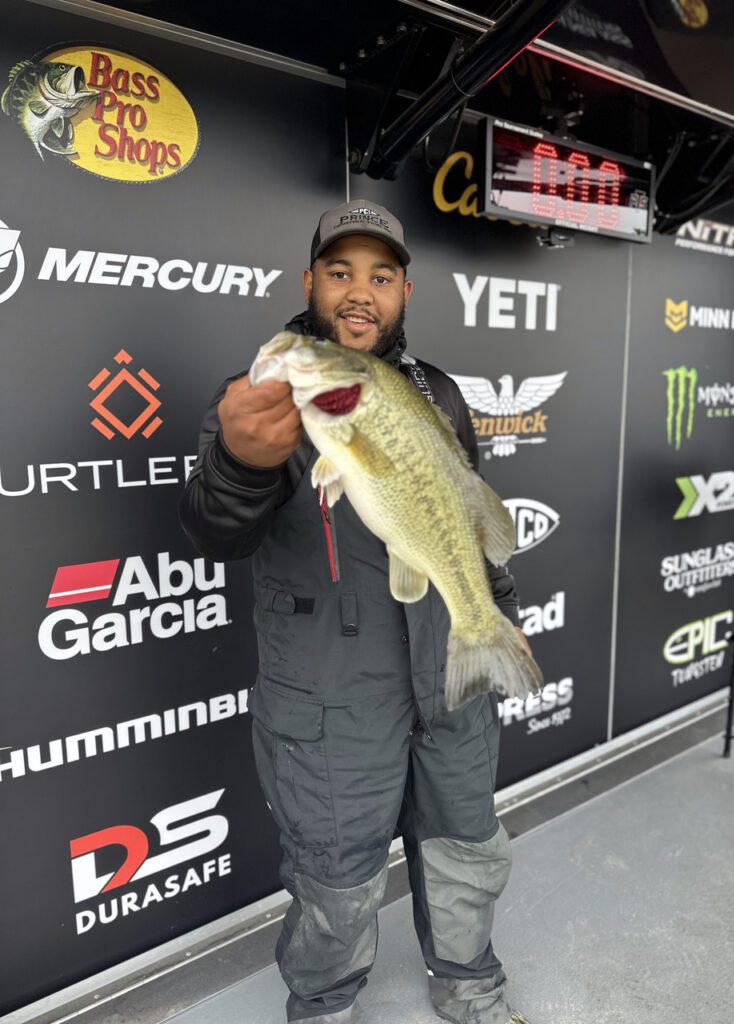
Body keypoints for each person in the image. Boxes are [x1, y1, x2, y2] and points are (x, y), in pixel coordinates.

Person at [179, 200, 533, 1024]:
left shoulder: (438, 392)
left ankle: (471, 987)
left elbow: (464, 519)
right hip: (330, 691)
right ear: (310, 282)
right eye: (340, 273)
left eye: (380, 276)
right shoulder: (262, 398)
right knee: (336, 877)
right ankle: (326, 1009)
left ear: (405, 291)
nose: (359, 293)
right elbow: (213, 531)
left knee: (467, 848)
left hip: (445, 673)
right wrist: (239, 463)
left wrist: (497, 609)